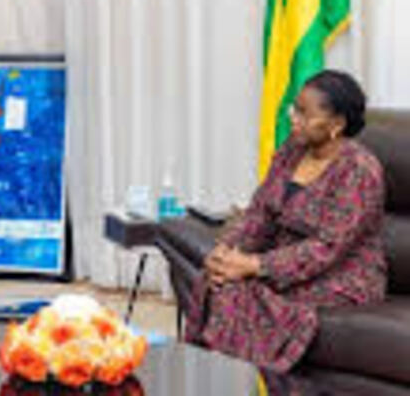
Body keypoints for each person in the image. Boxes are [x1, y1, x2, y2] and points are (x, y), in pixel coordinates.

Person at [163, 70, 386, 372]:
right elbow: (260, 213)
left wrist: (255, 265)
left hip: (342, 273)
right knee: (219, 279)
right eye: (295, 109)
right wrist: (227, 252)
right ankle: (214, 375)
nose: (293, 118)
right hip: (283, 260)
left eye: (305, 114)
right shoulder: (292, 150)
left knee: (239, 293)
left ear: (337, 124)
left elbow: (327, 247)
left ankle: (245, 380)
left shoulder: (359, 171)